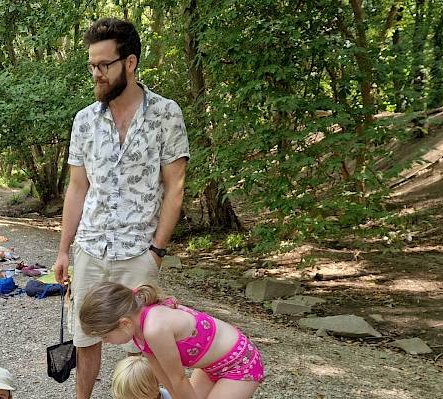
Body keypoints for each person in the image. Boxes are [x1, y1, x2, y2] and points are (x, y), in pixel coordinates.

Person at [52, 17, 190, 399]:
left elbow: (174, 186)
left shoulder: (166, 113)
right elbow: (77, 188)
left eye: (103, 65)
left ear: (129, 63)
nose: (96, 73)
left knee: (145, 344)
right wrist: (64, 250)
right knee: (85, 335)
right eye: (91, 65)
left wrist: (157, 250)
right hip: (90, 247)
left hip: (139, 250)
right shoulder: (84, 120)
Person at [80, 283, 264, 399]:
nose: (106, 342)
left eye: (105, 336)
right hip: (211, 368)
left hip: (240, 364)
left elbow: (178, 378)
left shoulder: (155, 329)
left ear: (124, 323)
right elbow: (164, 377)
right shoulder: (137, 333)